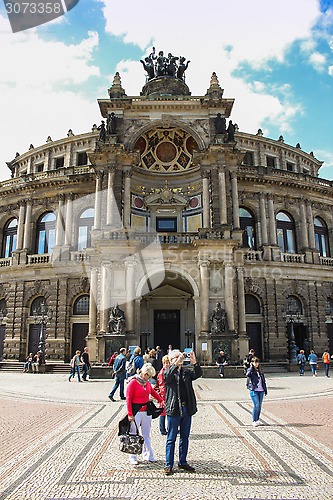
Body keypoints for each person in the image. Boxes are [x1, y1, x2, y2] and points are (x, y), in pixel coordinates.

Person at [163, 349, 203, 475]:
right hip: (174, 409)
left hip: (186, 408)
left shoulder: (186, 372)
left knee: (184, 437)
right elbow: (167, 377)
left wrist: (195, 363)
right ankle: (169, 464)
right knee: (171, 438)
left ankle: (183, 462)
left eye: (180, 357)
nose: (179, 359)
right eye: (176, 357)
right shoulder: (168, 372)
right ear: (171, 361)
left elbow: (197, 374)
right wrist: (175, 364)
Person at [126, 363, 164, 465]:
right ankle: (132, 456)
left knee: (146, 435)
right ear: (144, 373)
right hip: (136, 411)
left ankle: (148, 455)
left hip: (146, 411)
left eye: (151, 376)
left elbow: (152, 392)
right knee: (133, 435)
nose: (149, 378)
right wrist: (130, 414)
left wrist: (160, 400)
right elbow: (128, 399)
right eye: (148, 375)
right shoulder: (133, 383)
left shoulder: (146, 383)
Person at [246, 357, 267, 427]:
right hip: (254, 390)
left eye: (257, 362)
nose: (256, 364)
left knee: (259, 406)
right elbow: (247, 374)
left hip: (261, 390)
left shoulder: (260, 371)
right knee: (256, 405)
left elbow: (263, 381)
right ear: (252, 363)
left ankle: (257, 419)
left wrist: (265, 389)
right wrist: (252, 367)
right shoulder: (251, 370)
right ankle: (254, 420)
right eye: (255, 362)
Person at [155, 354, 170, 435]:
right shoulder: (162, 373)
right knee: (163, 412)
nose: (167, 364)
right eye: (165, 363)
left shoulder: (168, 371)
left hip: (167, 393)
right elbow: (161, 386)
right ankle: (162, 429)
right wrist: (163, 397)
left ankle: (169, 427)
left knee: (168, 412)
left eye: (168, 363)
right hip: (163, 394)